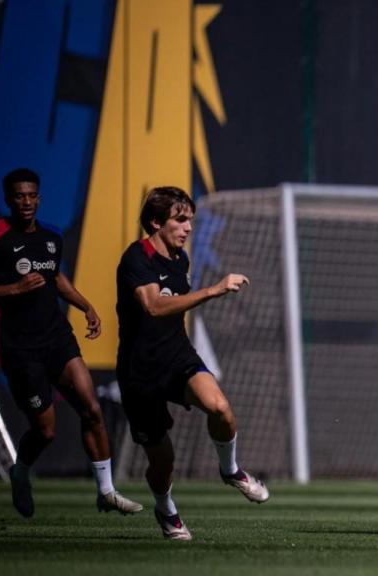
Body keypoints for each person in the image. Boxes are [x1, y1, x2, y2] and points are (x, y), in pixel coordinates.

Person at [0, 168, 142, 518]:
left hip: (57, 338)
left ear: (39, 197)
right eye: (19, 196)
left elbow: (56, 278)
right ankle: (20, 471)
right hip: (21, 349)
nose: (27, 201)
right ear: (9, 199)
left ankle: (107, 491)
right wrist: (14, 289)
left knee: (92, 408)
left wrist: (86, 307)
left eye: (32, 195)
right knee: (46, 430)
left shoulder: (51, 237)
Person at [116, 186, 268, 541]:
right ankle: (166, 509)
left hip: (177, 356)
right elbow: (153, 307)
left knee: (221, 408)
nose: (187, 229)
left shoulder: (180, 259)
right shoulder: (136, 258)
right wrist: (213, 290)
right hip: (141, 371)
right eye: (180, 220)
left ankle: (231, 471)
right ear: (156, 222)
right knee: (163, 460)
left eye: (190, 221)